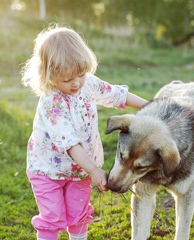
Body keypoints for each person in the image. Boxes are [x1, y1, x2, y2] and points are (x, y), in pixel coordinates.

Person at [21, 24, 148, 240]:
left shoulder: (86, 83)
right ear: (49, 76)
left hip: (80, 171)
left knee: (79, 215)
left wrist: (151, 106)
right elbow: (70, 143)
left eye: (80, 74)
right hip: (47, 169)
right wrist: (94, 171)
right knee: (52, 218)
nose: (76, 83)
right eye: (67, 79)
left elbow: (117, 95)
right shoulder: (52, 103)